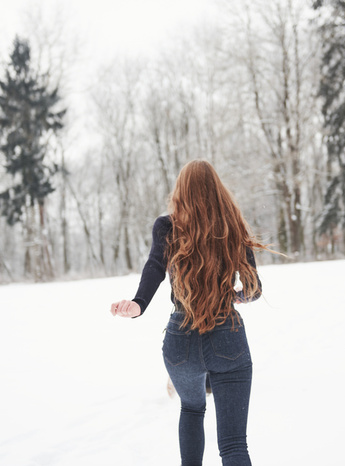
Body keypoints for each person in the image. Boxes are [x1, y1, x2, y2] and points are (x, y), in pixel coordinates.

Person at [110, 159, 268, 466]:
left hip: (180, 341)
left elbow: (155, 266)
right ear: (218, 191)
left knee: (192, 410)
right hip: (228, 336)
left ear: (180, 191)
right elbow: (254, 288)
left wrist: (138, 303)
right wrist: (237, 296)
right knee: (234, 445)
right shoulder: (232, 224)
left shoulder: (167, 226)